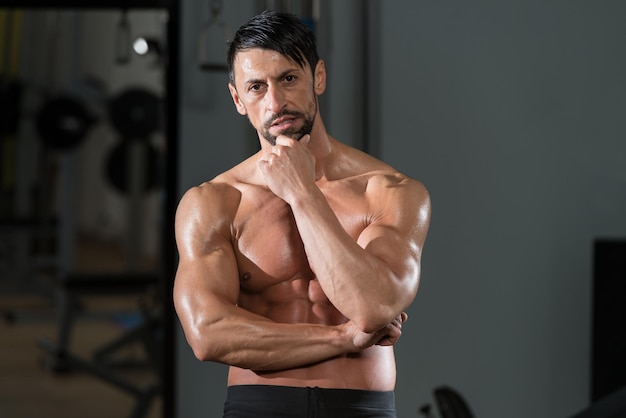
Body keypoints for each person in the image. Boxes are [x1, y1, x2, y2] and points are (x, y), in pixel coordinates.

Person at [173, 10, 431, 418]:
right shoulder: (214, 201)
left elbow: (374, 307)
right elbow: (207, 335)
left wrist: (303, 194)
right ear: (239, 100)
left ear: (319, 77)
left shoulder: (390, 191)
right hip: (258, 406)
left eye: (288, 78)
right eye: (257, 87)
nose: (275, 102)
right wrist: (343, 339)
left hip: (360, 406)